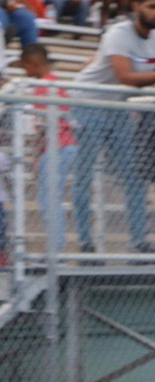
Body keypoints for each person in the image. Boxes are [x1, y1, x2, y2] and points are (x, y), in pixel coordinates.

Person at [72, 0, 155, 256]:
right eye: (152, 6)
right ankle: (86, 244)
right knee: (84, 177)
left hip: (117, 109)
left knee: (136, 175)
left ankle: (138, 243)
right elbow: (126, 78)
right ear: (136, 6)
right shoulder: (118, 34)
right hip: (87, 103)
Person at [22, 44, 79, 254]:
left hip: (55, 147)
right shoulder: (58, 84)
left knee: (49, 201)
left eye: (26, 67)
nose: (26, 73)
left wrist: (36, 155)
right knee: (51, 199)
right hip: (67, 145)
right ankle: (56, 251)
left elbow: (44, 125)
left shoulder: (43, 86)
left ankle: (56, 253)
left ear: (34, 64)